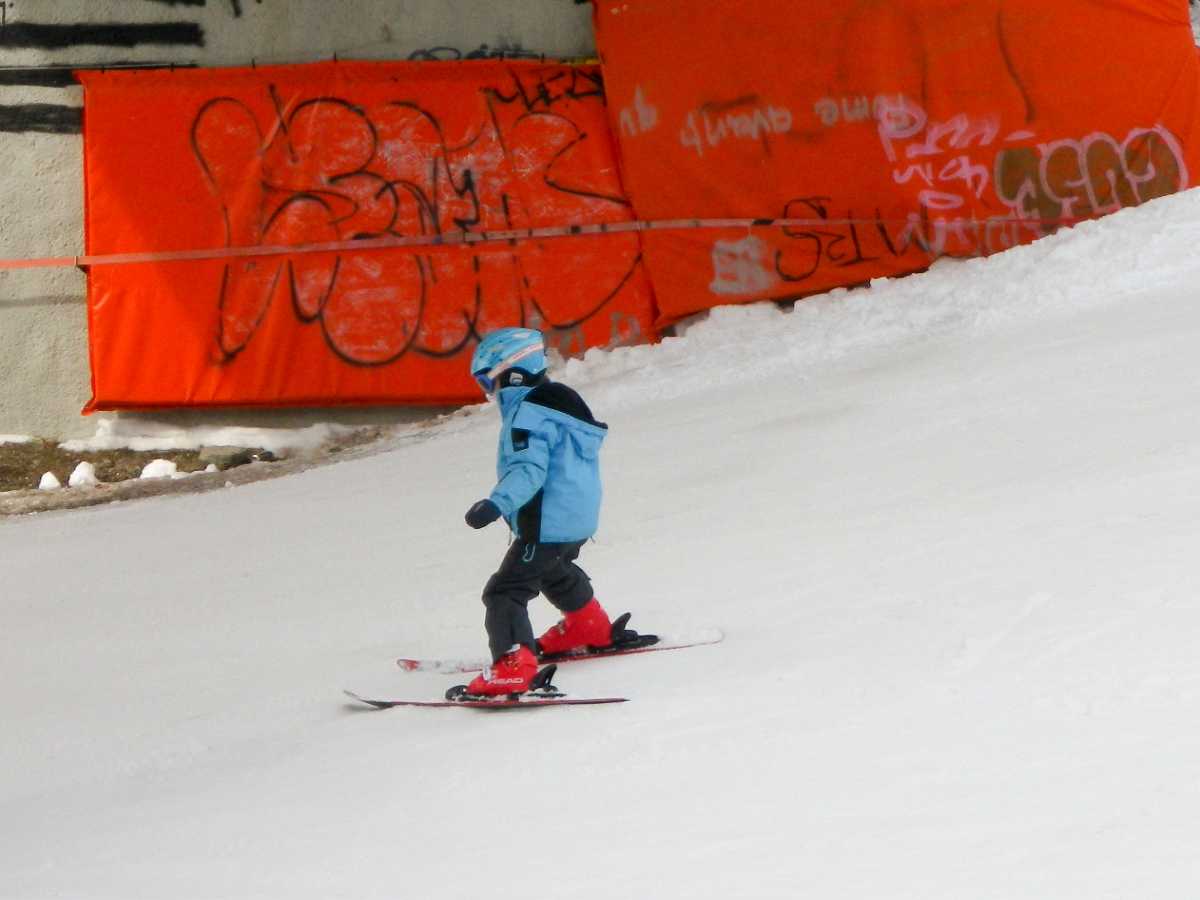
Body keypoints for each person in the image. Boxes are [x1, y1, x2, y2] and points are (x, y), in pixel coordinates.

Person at [461, 326, 617, 696]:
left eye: (488, 381)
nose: (490, 392)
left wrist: (496, 504)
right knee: (552, 570)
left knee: (504, 592)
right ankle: (589, 626)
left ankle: (513, 666)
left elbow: (528, 471)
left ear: (512, 372)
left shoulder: (527, 416)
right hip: (576, 519)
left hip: (546, 523)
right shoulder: (560, 407)